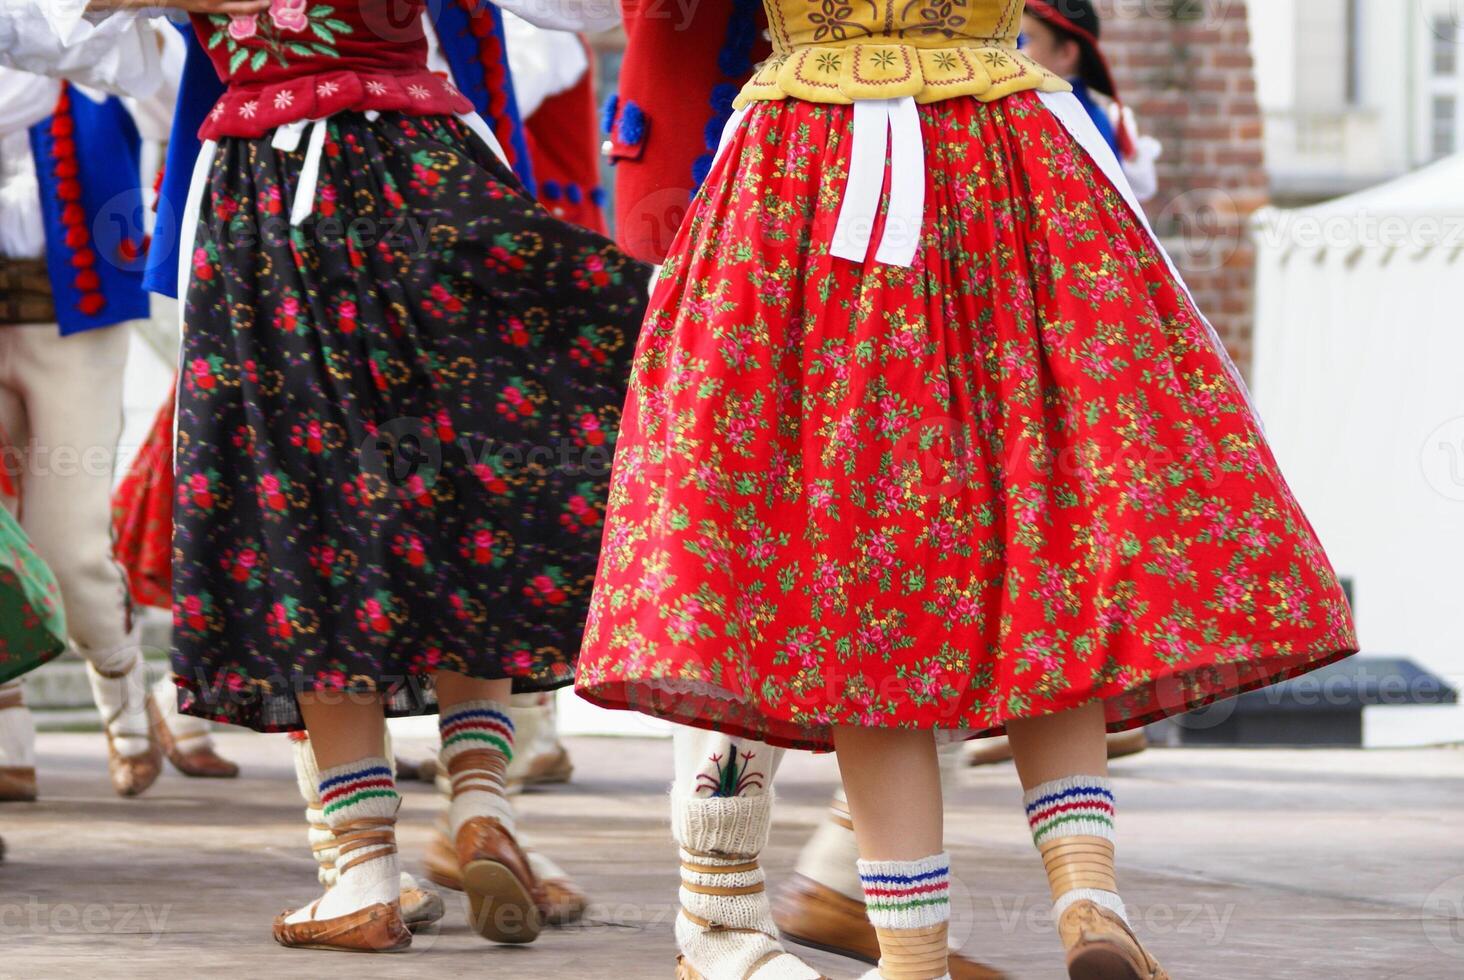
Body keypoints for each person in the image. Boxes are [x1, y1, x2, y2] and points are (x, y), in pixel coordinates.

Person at [572, 5, 1358, 980]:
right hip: (1005, 145)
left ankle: (907, 954)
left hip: (816, 163)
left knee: (866, 556)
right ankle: (1086, 891)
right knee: (1050, 522)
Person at [67, 0, 648, 953]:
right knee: (470, 495)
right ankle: (479, 803)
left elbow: (65, 28)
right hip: (430, 168)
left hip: (274, 194)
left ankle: (364, 870)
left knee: (307, 513)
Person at [0, 11, 236, 801]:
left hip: (76, 319)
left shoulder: (103, 38)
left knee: (65, 548)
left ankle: (120, 681)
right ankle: (9, 736)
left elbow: (191, 89)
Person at [1021, 0, 1162, 202]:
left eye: (1027, 39)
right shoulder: (1084, 113)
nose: (1018, 51)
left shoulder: (1069, 119)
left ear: (1066, 53)